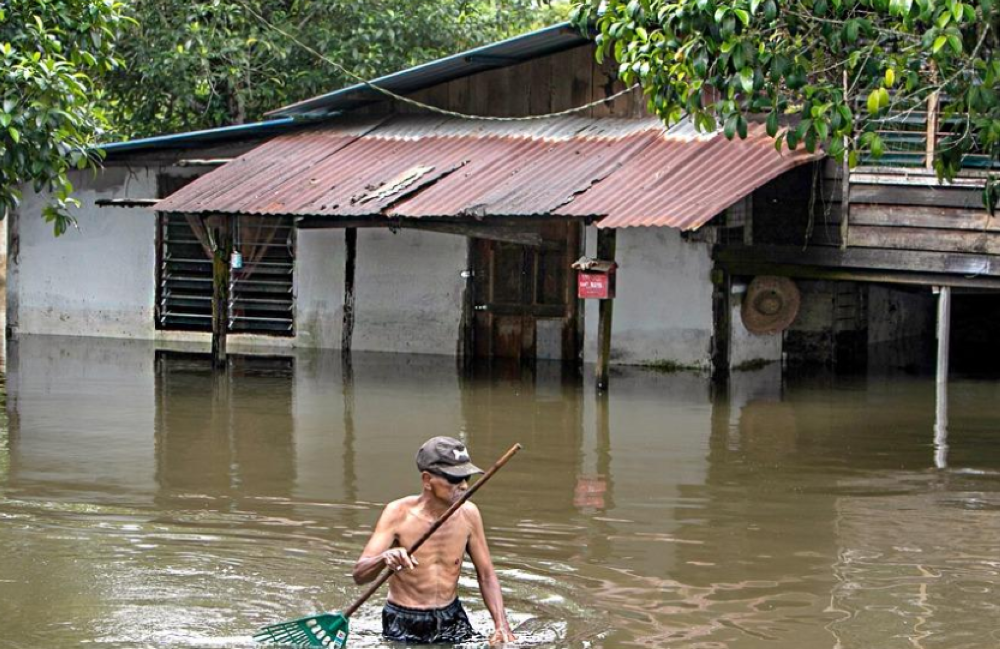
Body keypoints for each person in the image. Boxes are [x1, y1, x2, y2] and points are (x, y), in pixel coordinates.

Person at [352, 436, 517, 645]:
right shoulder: (398, 514)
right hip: (405, 620)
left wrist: (501, 625)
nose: (464, 486)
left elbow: (486, 575)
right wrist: (384, 558)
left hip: (452, 617)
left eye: (467, 478)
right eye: (455, 479)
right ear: (427, 480)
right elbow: (360, 575)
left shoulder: (469, 514)